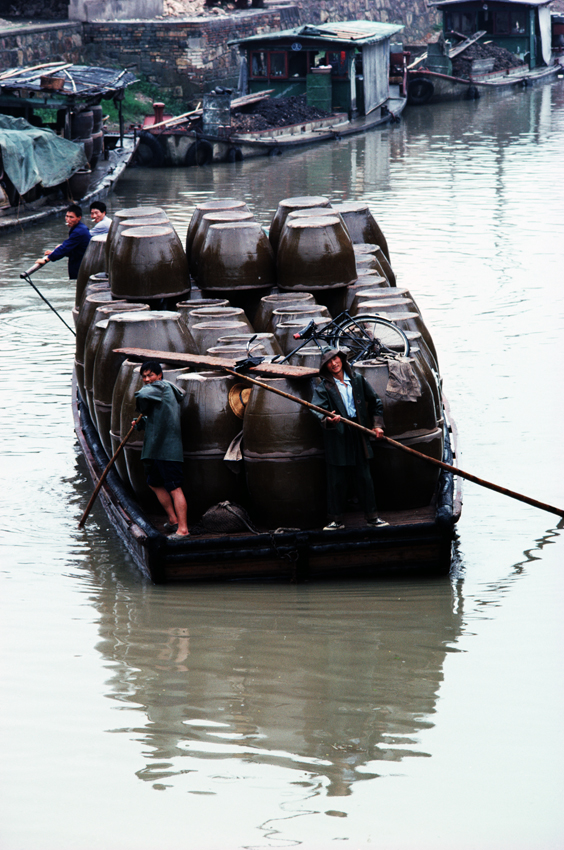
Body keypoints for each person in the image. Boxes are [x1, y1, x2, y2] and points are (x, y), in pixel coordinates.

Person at [311, 348, 389, 531]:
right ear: (325, 367)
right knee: (337, 479)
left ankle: (372, 517)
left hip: (359, 432)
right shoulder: (323, 388)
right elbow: (316, 409)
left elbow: (376, 402)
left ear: (342, 360)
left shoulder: (358, 380)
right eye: (329, 362)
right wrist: (328, 419)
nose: (334, 364)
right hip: (338, 435)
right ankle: (335, 520)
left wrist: (377, 426)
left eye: (336, 359)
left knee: (364, 476)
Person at [134, 360, 189, 539]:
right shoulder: (160, 392)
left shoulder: (161, 387)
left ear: (159, 375)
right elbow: (157, 418)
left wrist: (143, 407)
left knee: (174, 487)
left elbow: (140, 395)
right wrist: (140, 423)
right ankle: (173, 520)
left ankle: (183, 530)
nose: (147, 379)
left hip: (167, 448)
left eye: (150, 375)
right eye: (144, 376)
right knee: (154, 482)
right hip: (157, 448)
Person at [35, 203, 91, 279]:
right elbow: (72, 248)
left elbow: (65, 247)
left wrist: (47, 259)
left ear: (79, 218)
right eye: (67, 216)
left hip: (81, 265)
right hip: (80, 263)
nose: (68, 219)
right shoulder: (78, 228)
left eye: (71, 217)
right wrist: (54, 252)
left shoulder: (79, 231)